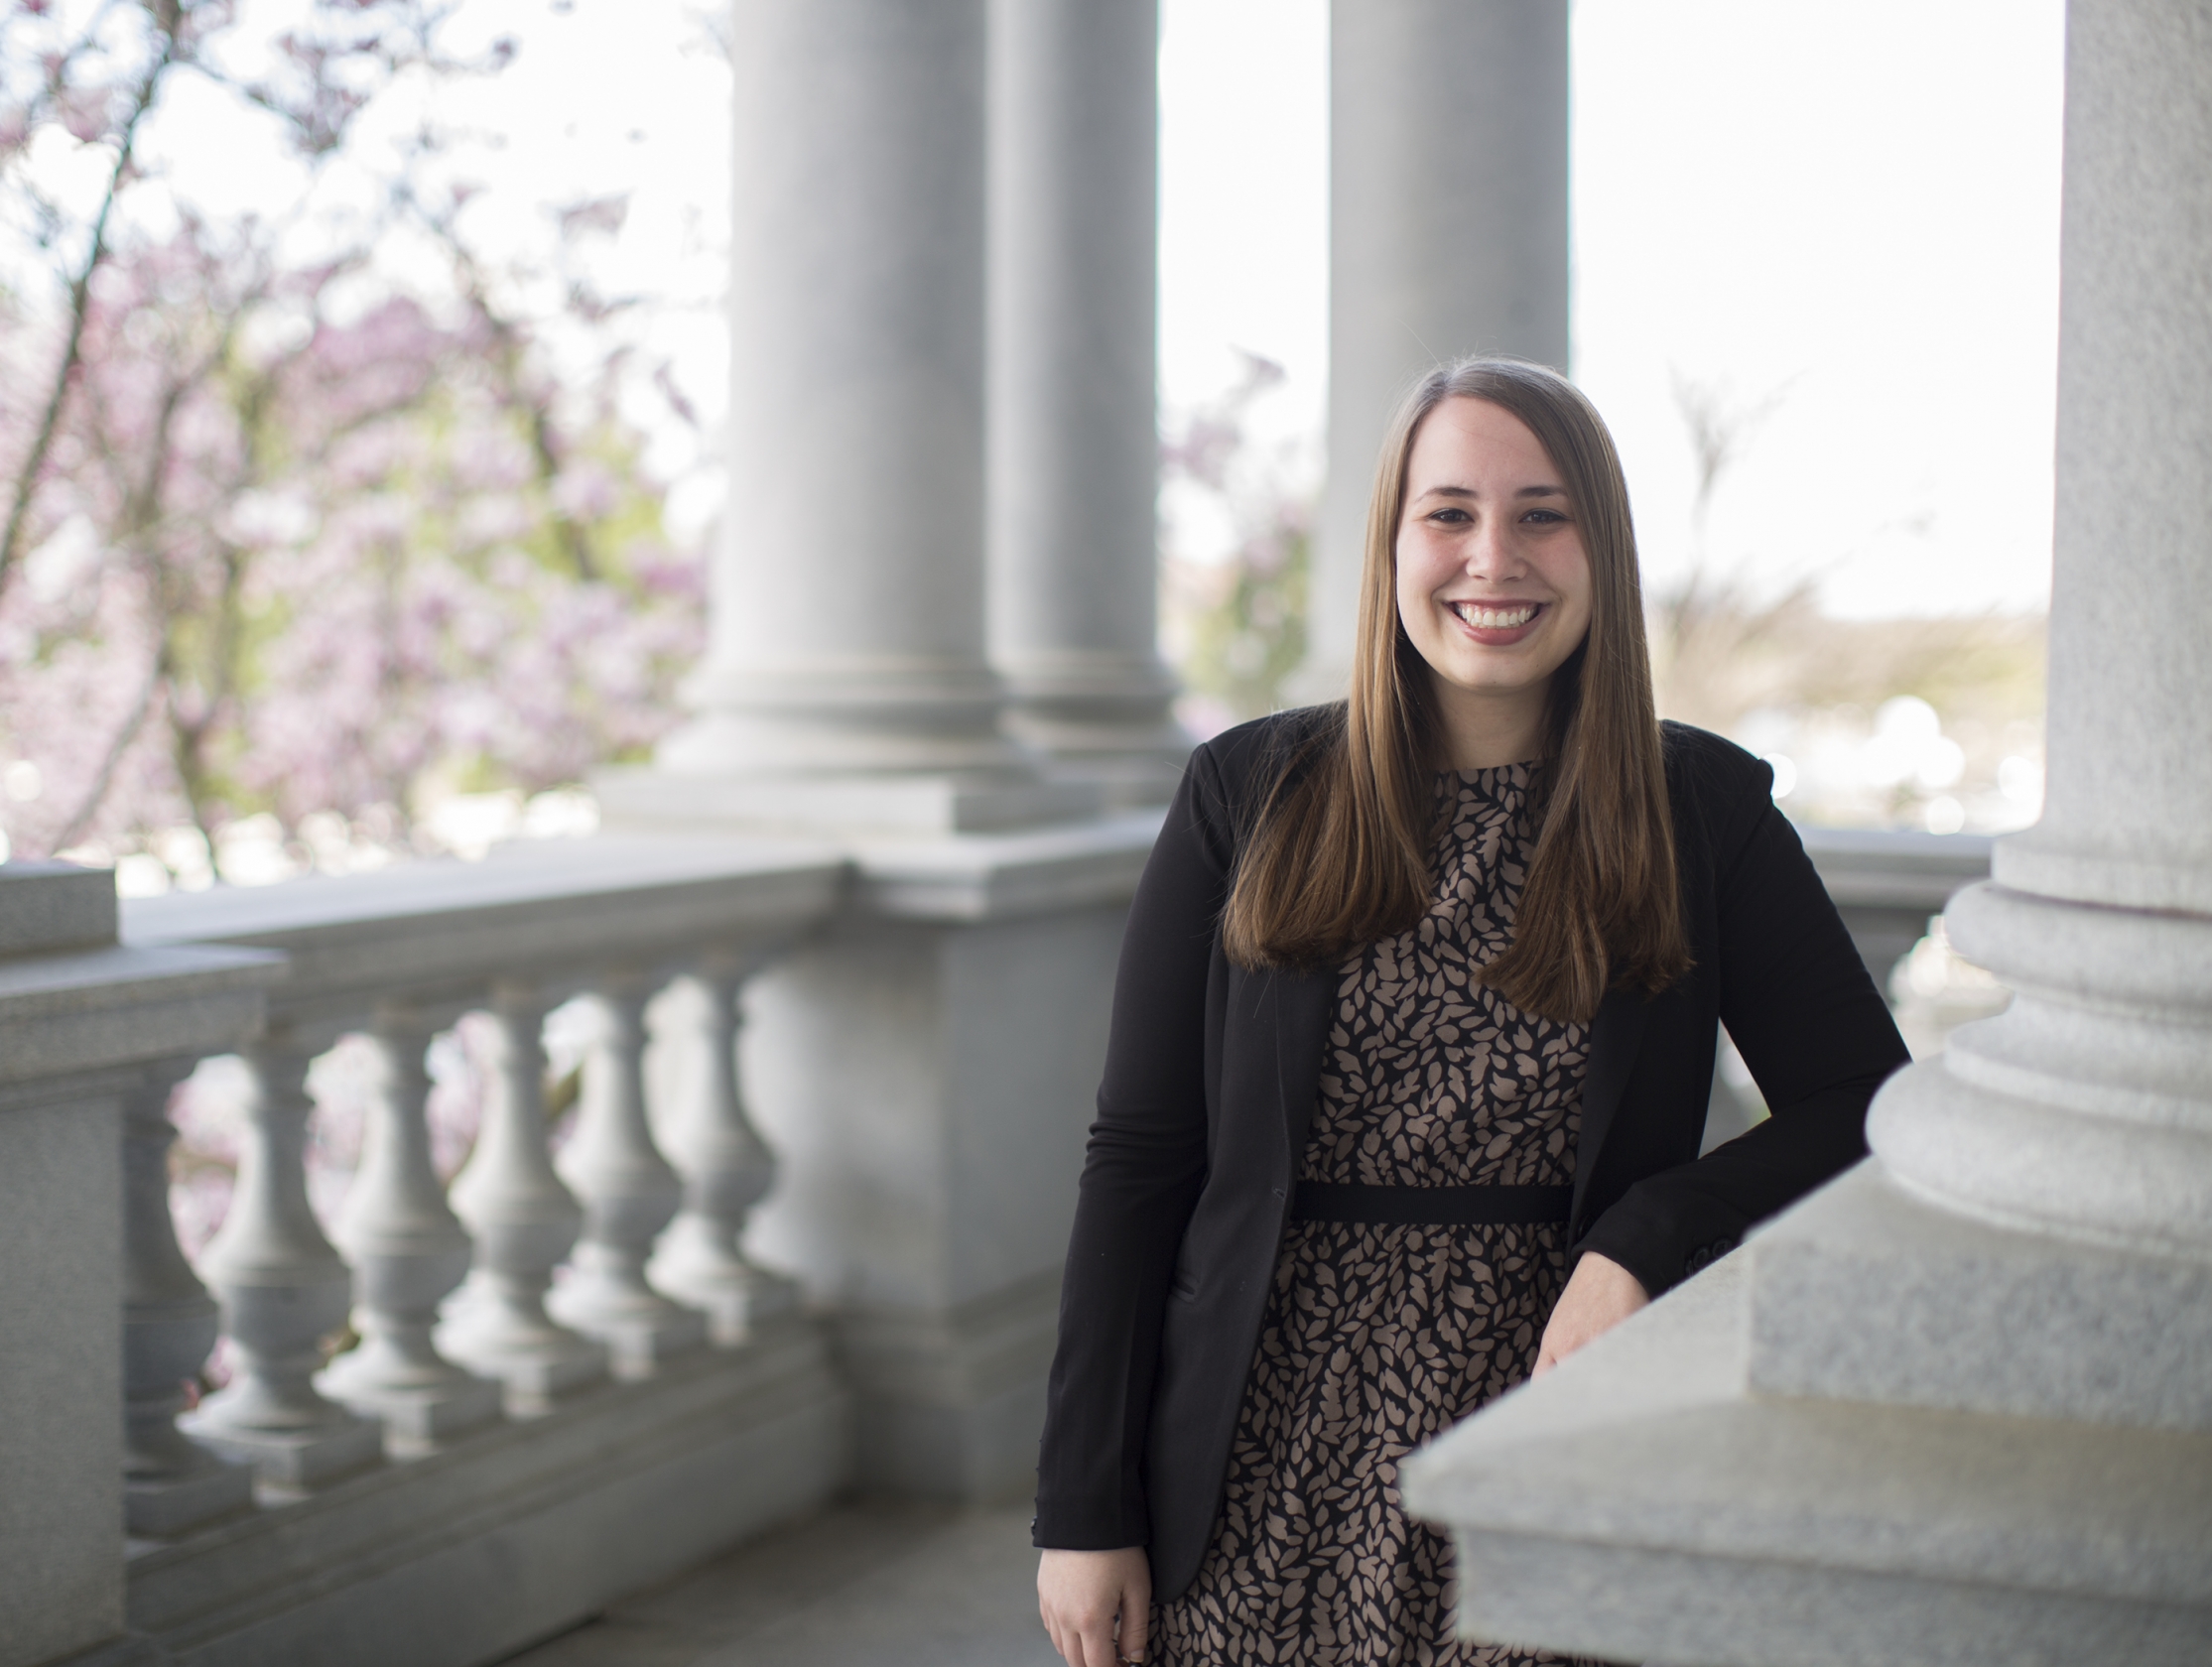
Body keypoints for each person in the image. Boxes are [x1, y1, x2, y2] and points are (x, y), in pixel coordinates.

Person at [1031, 357, 1911, 1667]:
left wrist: (1648, 1238)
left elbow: (1868, 1108)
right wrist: (1082, 1507)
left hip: (1548, 1435)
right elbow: (1142, 1156)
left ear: (1598, 550)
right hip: (1248, 1452)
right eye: (1447, 513)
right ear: (1390, 544)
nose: (1492, 559)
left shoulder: (1702, 813)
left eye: (1541, 515)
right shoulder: (1245, 792)